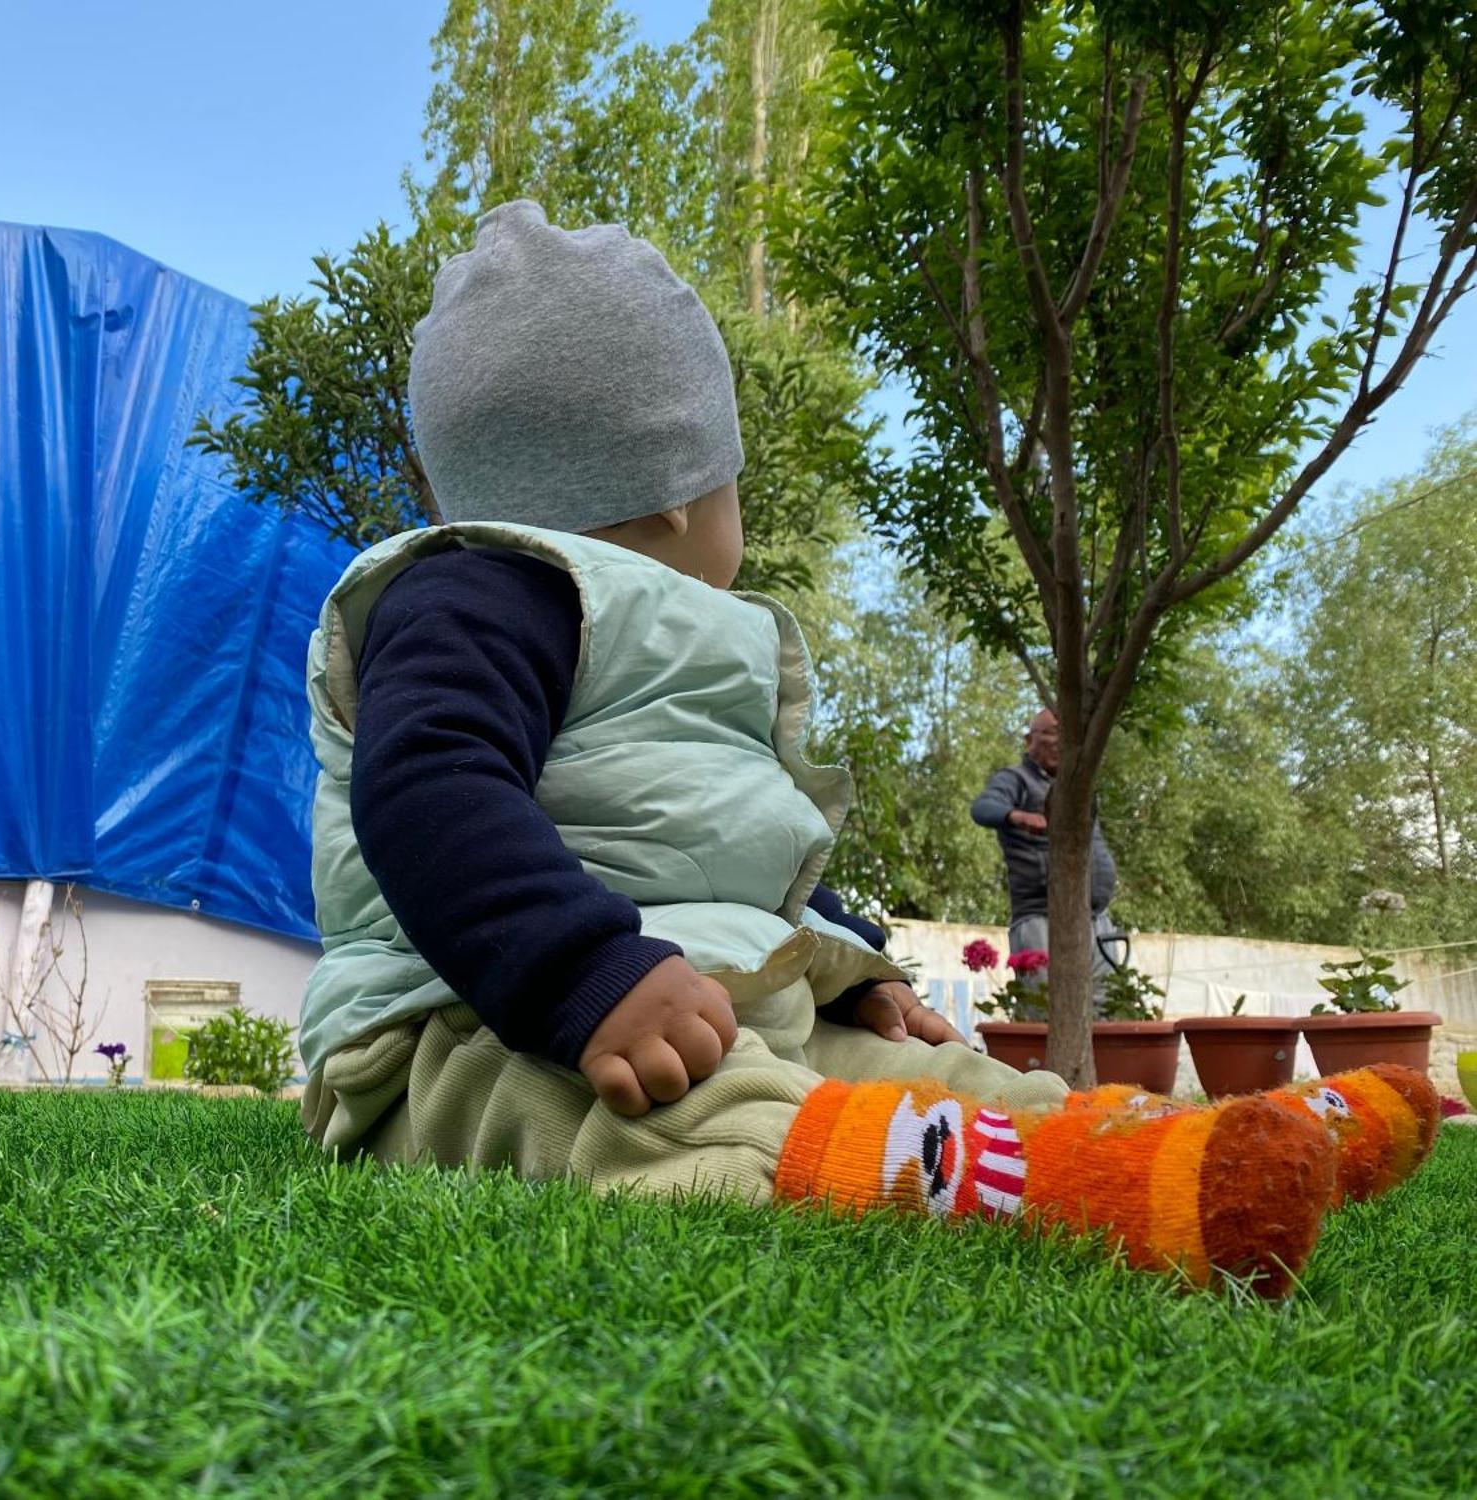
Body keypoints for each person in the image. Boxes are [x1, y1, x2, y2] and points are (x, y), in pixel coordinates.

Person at [294, 201, 1428, 1294]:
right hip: (469, 1026)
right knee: (690, 1124)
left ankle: (1168, 1141)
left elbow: (727, 857)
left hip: (698, 997)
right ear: (684, 488)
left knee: (943, 1076)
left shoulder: (647, 632)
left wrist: (853, 975)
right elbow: (427, 789)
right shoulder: (475, 594)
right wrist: (580, 978)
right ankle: (1053, 1186)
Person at [970, 709, 1125, 1007]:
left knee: (1106, 1009)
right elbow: (983, 807)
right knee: (1045, 1009)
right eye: (1052, 732)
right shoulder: (1015, 779)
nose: (1059, 741)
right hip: (1043, 918)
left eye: (1065, 734)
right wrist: (1017, 816)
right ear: (1030, 739)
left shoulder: (1076, 787)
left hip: (1095, 918)